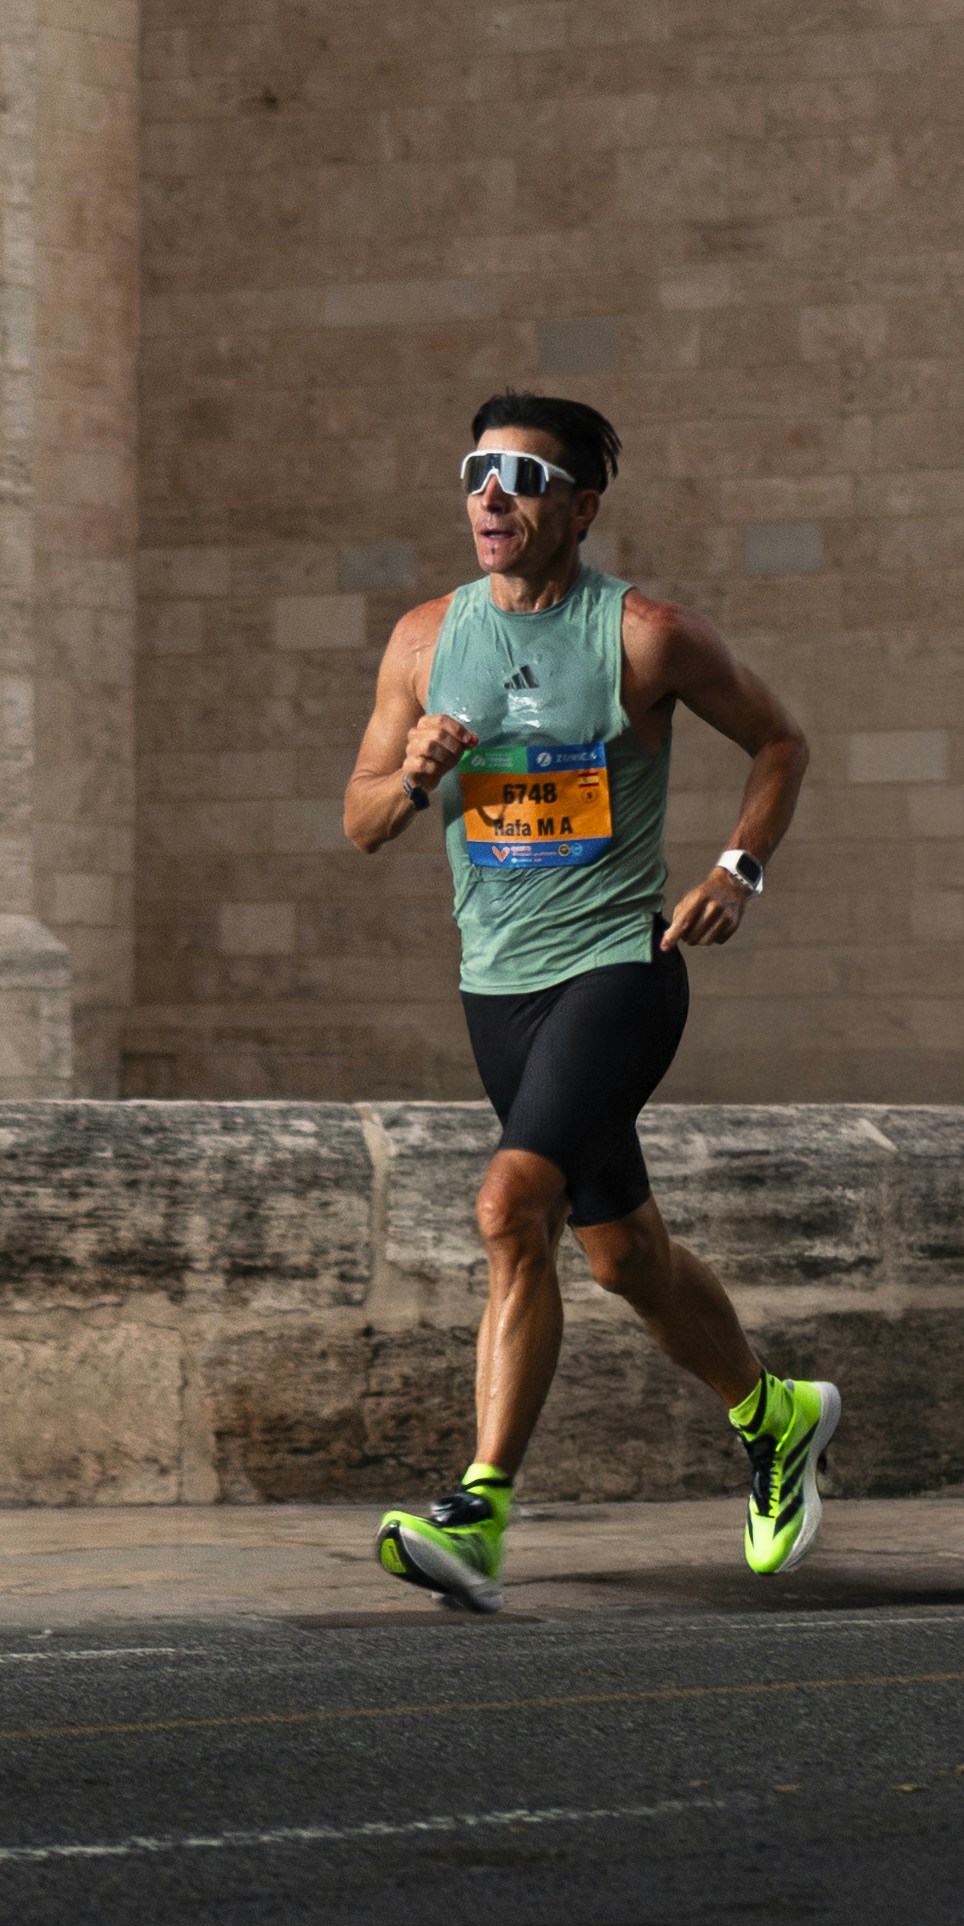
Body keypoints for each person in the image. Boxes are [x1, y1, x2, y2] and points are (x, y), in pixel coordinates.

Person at [341, 390, 836, 1610]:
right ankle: (774, 1418)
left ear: (578, 507)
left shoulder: (644, 636)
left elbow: (781, 741)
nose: (491, 494)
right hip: (495, 987)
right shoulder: (420, 642)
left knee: (512, 1207)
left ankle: (481, 1510)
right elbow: (356, 823)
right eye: (476, 472)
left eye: (520, 475)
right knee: (621, 1255)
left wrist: (737, 867)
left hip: (619, 966)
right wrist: (411, 776)